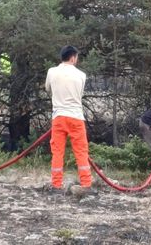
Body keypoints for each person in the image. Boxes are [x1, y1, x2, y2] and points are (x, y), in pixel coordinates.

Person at [45, 45, 94, 196]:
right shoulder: (81, 75)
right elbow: (79, 94)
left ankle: (56, 184)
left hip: (59, 117)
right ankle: (86, 184)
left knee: (57, 151)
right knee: (81, 151)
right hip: (76, 117)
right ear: (73, 57)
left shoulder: (52, 72)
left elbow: (48, 89)